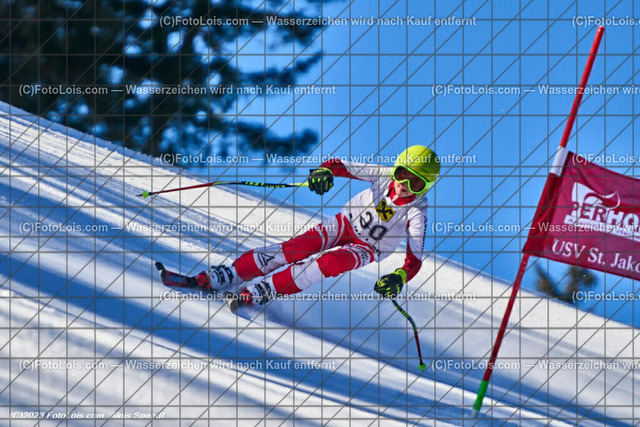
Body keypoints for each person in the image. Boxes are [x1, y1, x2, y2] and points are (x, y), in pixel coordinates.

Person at [196, 145, 440, 310]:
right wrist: (323, 171)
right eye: (402, 173)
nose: (405, 184)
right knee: (298, 248)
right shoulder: (383, 175)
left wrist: (399, 276)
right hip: (344, 223)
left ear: (426, 187)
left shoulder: (417, 212)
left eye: (416, 182)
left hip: (368, 248)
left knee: (328, 264)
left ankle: (267, 288)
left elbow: (415, 258)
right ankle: (232, 273)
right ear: (395, 168)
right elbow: (340, 165)